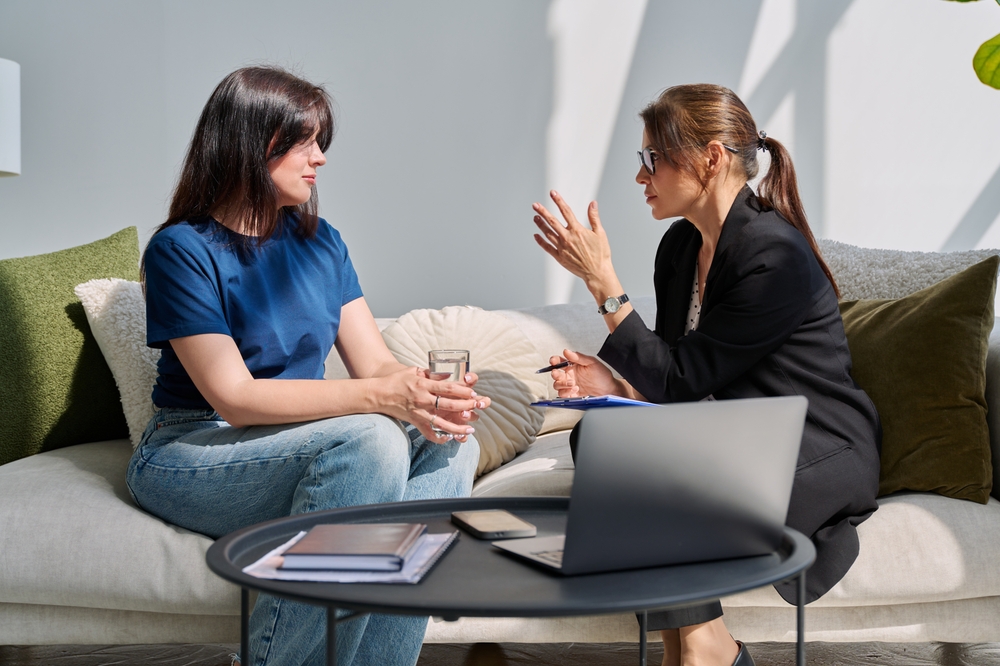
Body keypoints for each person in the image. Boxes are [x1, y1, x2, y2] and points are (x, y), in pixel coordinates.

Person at [126, 66, 490, 666]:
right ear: (249, 142)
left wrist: (425, 395)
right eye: (304, 141)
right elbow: (234, 398)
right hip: (193, 448)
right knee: (373, 440)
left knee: (453, 443)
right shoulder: (181, 250)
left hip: (297, 442)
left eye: (322, 141)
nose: (319, 158)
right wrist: (385, 402)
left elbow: (373, 362)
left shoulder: (323, 243)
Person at [531, 84, 880, 666]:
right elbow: (677, 375)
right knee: (598, 437)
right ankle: (701, 649)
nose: (641, 176)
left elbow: (685, 378)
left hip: (812, 443)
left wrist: (603, 285)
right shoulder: (678, 249)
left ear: (711, 158)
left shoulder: (774, 255)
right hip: (738, 434)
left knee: (651, 470)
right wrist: (614, 386)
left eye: (652, 159)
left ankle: (697, 654)